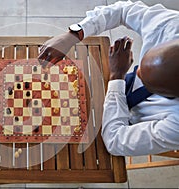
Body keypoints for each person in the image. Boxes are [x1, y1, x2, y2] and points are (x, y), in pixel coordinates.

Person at [38, 0, 179, 156]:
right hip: (118, 84)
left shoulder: (176, 126)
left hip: (125, 123)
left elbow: (115, 142)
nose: (137, 72)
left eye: (146, 81)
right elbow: (123, 10)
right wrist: (74, 34)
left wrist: (117, 76)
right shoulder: (172, 26)